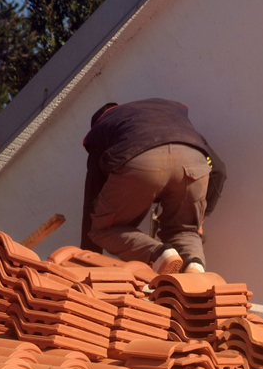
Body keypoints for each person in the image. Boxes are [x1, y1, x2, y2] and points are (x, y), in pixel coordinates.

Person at [81, 98, 226, 275]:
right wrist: (199, 219)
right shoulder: (170, 115)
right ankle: (194, 266)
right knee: (184, 230)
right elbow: (218, 170)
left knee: (103, 228)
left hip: (141, 159)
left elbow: (93, 195)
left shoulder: (102, 128)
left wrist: (84, 261)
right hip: (194, 162)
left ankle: (158, 254)